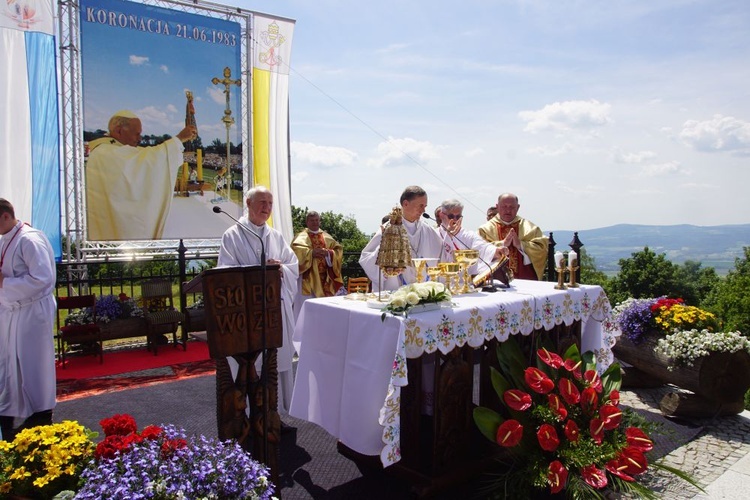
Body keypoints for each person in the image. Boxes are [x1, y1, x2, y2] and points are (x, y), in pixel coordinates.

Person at [217, 186, 299, 415]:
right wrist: (256, 271)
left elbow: (293, 267)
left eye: (270, 203)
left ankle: (274, 415)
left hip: (274, 311)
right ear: (248, 203)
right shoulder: (232, 235)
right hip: (247, 315)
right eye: (262, 202)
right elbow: (225, 272)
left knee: (275, 364)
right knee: (250, 365)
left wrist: (280, 268)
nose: (267, 208)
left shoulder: (276, 236)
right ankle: (246, 417)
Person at [85, 110, 197, 240]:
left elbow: (143, 158)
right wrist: (179, 139)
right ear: (119, 131)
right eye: (136, 134)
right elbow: (149, 161)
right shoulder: (107, 152)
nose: (139, 138)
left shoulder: (111, 150)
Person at [0, 199, 57, 441]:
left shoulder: (30, 239)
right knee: (11, 364)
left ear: (4, 216)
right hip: (13, 310)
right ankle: (15, 413)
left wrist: (5, 284)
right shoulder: (7, 238)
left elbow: (43, 279)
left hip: (32, 312)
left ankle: (40, 414)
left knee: (33, 364)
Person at [359, 185, 444, 291]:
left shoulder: (427, 230)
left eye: (425, 206)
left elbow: (442, 252)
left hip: (423, 292)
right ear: (405, 204)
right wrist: (385, 246)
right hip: (396, 294)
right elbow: (366, 259)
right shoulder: (390, 228)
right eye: (421, 206)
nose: (423, 210)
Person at [478, 193, 548, 280]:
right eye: (504, 206)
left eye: (512, 207)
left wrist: (521, 245)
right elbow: (478, 251)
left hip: (525, 279)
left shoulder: (530, 228)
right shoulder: (485, 229)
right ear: (497, 206)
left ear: (518, 207)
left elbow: (542, 248)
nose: (508, 210)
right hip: (495, 279)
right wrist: (502, 243)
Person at [292, 211, 345, 320]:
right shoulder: (300, 237)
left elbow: (338, 251)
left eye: (317, 220)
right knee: (306, 309)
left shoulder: (326, 236)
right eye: (312, 220)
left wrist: (329, 253)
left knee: (324, 310)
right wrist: (311, 253)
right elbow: (296, 253)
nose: (315, 223)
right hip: (308, 279)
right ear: (307, 222)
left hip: (325, 278)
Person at [436, 199, 508, 275]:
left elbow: (482, 247)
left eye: (458, 216)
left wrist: (495, 251)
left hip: (465, 281)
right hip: (442, 280)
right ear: (441, 215)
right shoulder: (434, 234)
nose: (455, 219)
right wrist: (448, 237)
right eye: (451, 216)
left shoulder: (468, 235)